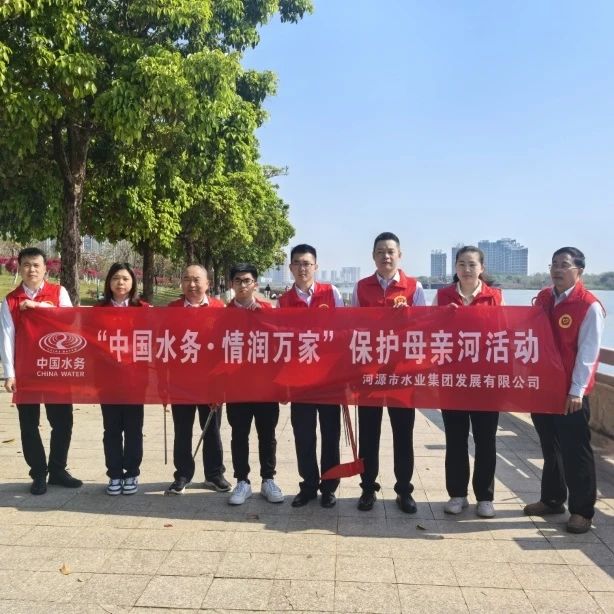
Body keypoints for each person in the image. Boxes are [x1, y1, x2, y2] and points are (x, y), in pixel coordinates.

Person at [524, 247, 605, 534]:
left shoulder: (588, 305)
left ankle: (582, 511)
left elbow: (588, 353)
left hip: (570, 393)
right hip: (543, 388)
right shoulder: (544, 298)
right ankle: (552, 499)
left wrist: (576, 390)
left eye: (564, 265)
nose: (557, 270)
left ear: (579, 271)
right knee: (551, 447)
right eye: (554, 264)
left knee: (575, 450)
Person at [352, 232, 426, 513]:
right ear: (373, 256)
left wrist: (408, 317)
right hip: (369, 373)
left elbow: (424, 328)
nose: (386, 256)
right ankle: (368, 488)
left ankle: (404, 490)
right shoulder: (361, 287)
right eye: (381, 251)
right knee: (369, 434)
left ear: (400, 255)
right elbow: (353, 328)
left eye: (391, 251)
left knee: (403, 434)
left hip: (401, 375)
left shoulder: (414, 287)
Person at [0, 247, 82, 495]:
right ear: (19, 267)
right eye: (26, 265)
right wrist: (9, 373)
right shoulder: (11, 300)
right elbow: (6, 337)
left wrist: (37, 306)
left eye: (36, 265)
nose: (31, 269)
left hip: (56, 368)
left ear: (46, 268)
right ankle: (38, 473)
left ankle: (57, 469)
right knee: (29, 424)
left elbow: (70, 319)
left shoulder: (59, 292)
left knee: (63, 422)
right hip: (26, 371)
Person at [432, 246, 503, 518]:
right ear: (455, 268)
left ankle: (485, 496)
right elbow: (429, 332)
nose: (467, 269)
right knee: (456, 439)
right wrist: (443, 318)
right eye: (461, 264)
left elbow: (505, 334)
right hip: (453, 381)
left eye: (472, 264)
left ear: (481, 268)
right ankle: (457, 494)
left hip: (486, 382)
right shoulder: (443, 296)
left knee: (486, 440)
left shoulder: (495, 297)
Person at [278, 244, 343, 508]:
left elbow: (344, 332)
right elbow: (280, 343)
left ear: (315, 266)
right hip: (300, 381)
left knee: (330, 435)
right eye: (297, 263)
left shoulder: (331, 293)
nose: (302, 268)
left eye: (307, 263)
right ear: (290, 267)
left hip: (329, 380)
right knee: (304, 435)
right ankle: (308, 485)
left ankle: (329, 487)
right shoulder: (284, 301)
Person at [165, 264, 230, 495]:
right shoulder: (172, 309)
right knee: (182, 430)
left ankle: (214, 474)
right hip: (181, 382)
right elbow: (162, 344)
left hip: (211, 383)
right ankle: (182, 474)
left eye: (196, 279)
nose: (191, 284)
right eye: (186, 279)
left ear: (207, 284)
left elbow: (227, 346)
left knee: (211, 429)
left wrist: (222, 382)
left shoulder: (219, 309)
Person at [225, 264, 284, 505]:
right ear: (231, 284)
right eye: (238, 280)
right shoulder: (223, 315)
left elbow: (281, 347)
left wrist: (281, 385)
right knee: (239, 434)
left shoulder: (269, 311)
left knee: (267, 435)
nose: (242, 285)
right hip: (236, 387)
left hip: (265, 387)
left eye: (247, 280)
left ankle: (268, 479)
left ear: (255, 284)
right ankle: (242, 481)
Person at [96, 263, 149, 495]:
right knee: (111, 429)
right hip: (107, 381)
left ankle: (132, 472)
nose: (120, 283)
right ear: (109, 281)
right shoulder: (98, 310)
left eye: (126, 279)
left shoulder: (143, 309)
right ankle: (115, 473)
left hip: (135, 380)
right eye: (116, 278)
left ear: (133, 283)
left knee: (134, 428)